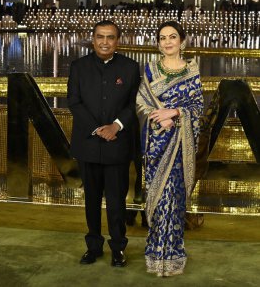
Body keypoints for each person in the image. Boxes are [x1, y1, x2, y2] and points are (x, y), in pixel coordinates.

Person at [67, 20, 141, 267]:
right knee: (91, 201)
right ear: (93, 38)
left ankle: (118, 248)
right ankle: (93, 247)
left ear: (117, 41)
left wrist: (117, 125)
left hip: (117, 145)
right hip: (88, 144)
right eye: (100, 36)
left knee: (116, 202)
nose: (105, 42)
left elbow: (134, 104)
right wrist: (99, 129)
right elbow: (74, 102)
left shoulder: (130, 68)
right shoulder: (78, 67)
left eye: (110, 37)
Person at [136, 20, 204, 277]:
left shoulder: (192, 70)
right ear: (158, 43)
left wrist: (175, 113)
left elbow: (197, 108)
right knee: (158, 197)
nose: (167, 42)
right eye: (162, 38)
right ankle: (155, 255)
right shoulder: (151, 70)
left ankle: (173, 256)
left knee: (174, 200)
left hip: (180, 145)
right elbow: (142, 101)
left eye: (172, 37)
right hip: (157, 143)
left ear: (182, 41)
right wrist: (159, 116)